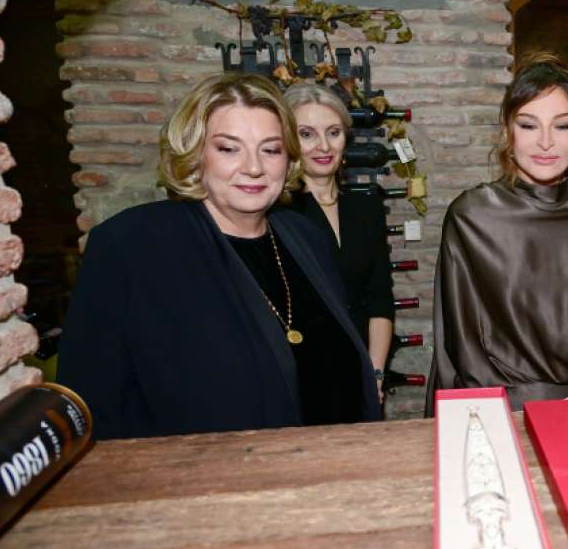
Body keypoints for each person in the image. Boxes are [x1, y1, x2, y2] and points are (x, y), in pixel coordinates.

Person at [57, 72, 383, 439]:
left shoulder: (306, 237)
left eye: (270, 149)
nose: (254, 167)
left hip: (339, 462)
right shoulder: (131, 245)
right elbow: (91, 405)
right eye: (229, 149)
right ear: (195, 155)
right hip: (208, 472)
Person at [425, 52, 568, 414]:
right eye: (529, 125)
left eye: (562, 126)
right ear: (508, 132)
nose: (546, 142)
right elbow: (457, 343)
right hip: (499, 408)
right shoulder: (472, 216)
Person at [282, 83, 394, 399]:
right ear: (288, 140)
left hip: (360, 365)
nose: (323, 146)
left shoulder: (366, 208)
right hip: (298, 373)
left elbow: (380, 298)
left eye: (333, 132)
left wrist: (375, 374)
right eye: (307, 134)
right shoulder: (276, 212)